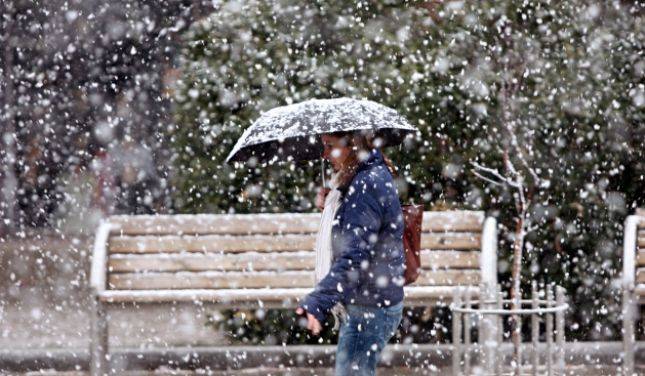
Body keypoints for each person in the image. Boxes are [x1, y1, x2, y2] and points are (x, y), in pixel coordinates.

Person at [296, 130, 405, 375]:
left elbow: (355, 255)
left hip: (369, 305)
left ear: (353, 146)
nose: (324, 154)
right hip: (372, 298)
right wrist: (334, 204)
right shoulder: (364, 177)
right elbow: (354, 236)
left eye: (330, 145)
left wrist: (319, 300)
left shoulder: (365, 184)